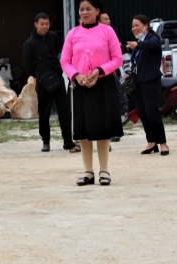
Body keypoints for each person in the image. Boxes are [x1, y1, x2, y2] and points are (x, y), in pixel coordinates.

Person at [60, 0, 123, 186]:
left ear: (97, 10)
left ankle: (104, 170)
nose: (84, 12)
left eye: (89, 9)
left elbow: (117, 59)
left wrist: (99, 71)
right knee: (83, 130)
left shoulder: (107, 31)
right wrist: (77, 76)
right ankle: (88, 172)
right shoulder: (73, 34)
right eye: (81, 9)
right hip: (80, 85)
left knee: (103, 128)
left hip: (103, 84)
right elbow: (64, 61)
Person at [23, 13, 76, 152]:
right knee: (44, 112)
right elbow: (28, 65)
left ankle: (68, 141)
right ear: (35, 24)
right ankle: (45, 141)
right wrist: (40, 76)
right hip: (42, 82)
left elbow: (58, 54)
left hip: (57, 79)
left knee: (64, 111)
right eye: (42, 24)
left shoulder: (53, 37)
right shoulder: (29, 43)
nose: (45, 26)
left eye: (47, 24)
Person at [126, 14, 169, 156]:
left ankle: (162, 143)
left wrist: (137, 44)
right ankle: (151, 141)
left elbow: (153, 45)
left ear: (146, 26)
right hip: (137, 82)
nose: (134, 28)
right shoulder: (138, 43)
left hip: (150, 81)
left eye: (137, 25)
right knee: (143, 113)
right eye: (133, 26)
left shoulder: (152, 38)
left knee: (152, 112)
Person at [99, 11, 127, 143]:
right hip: (101, 75)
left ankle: (114, 129)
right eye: (105, 19)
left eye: (109, 19)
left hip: (112, 73)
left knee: (120, 100)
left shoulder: (110, 33)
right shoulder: (98, 36)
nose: (108, 21)